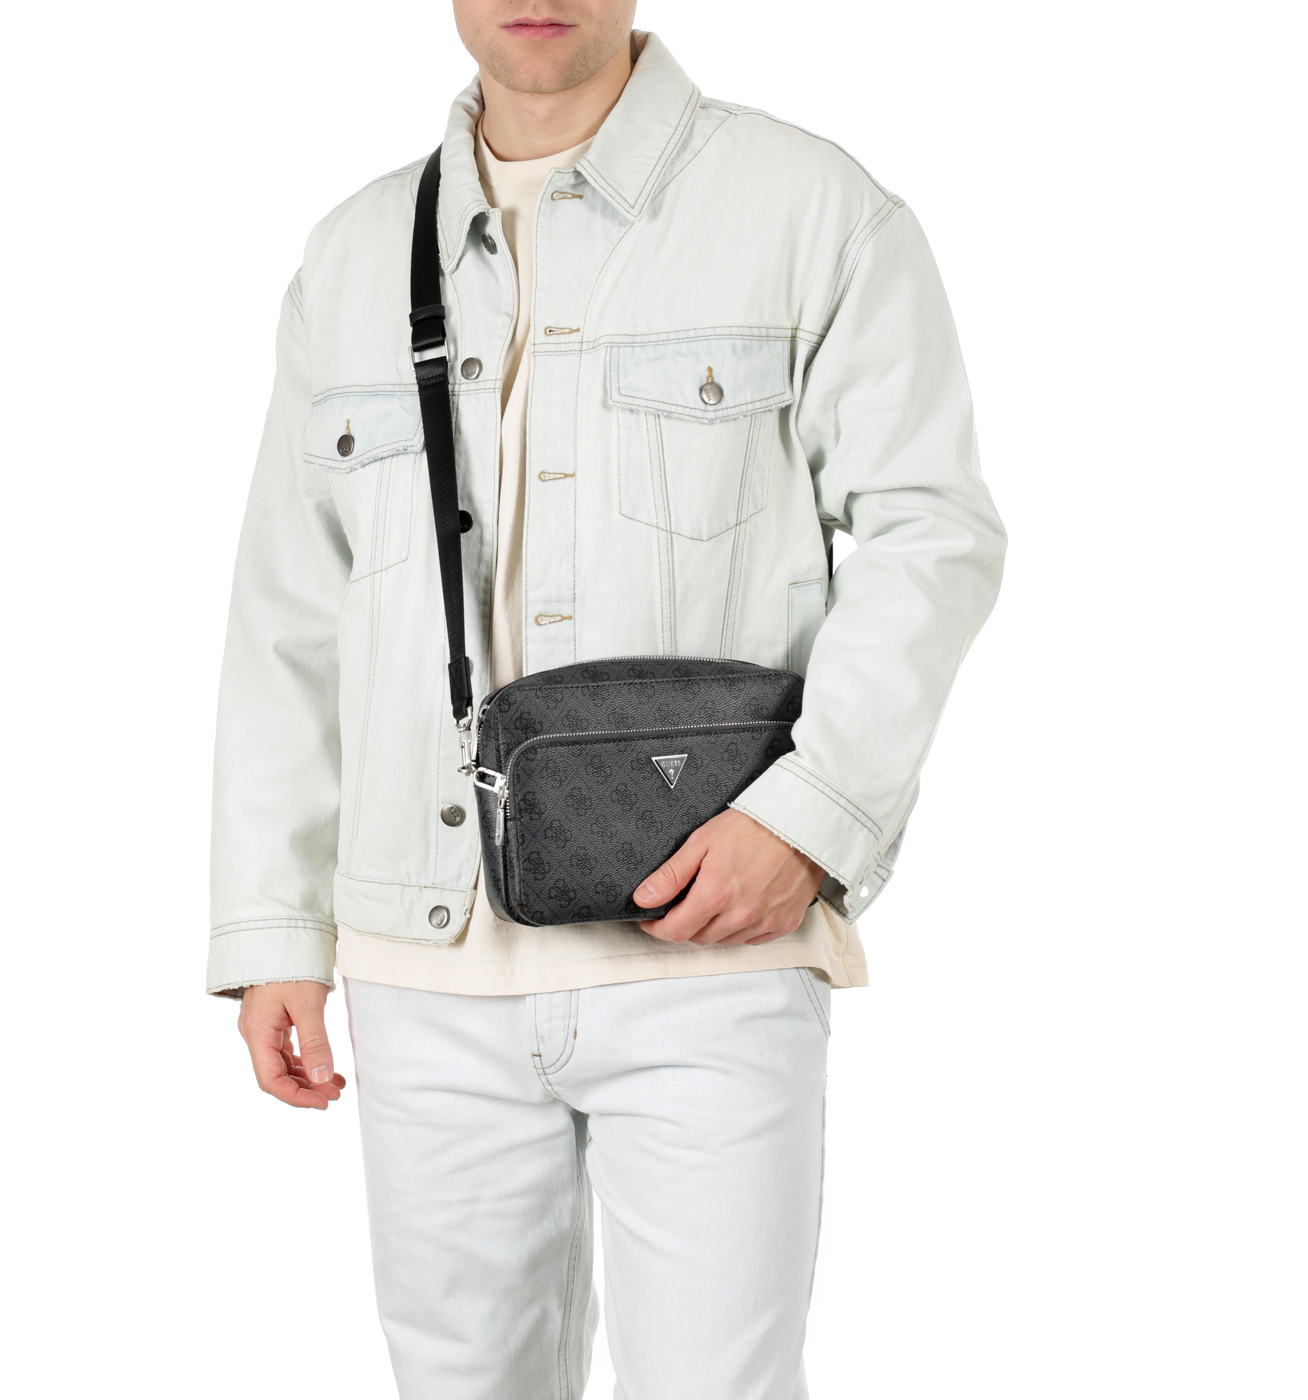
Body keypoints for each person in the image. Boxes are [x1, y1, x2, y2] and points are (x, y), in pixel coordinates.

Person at [208, 4, 1005, 1395]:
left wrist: (810, 819)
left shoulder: (812, 210)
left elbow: (932, 532)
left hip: (708, 946)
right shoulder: (351, 256)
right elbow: (291, 611)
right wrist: (274, 927)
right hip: (423, 968)